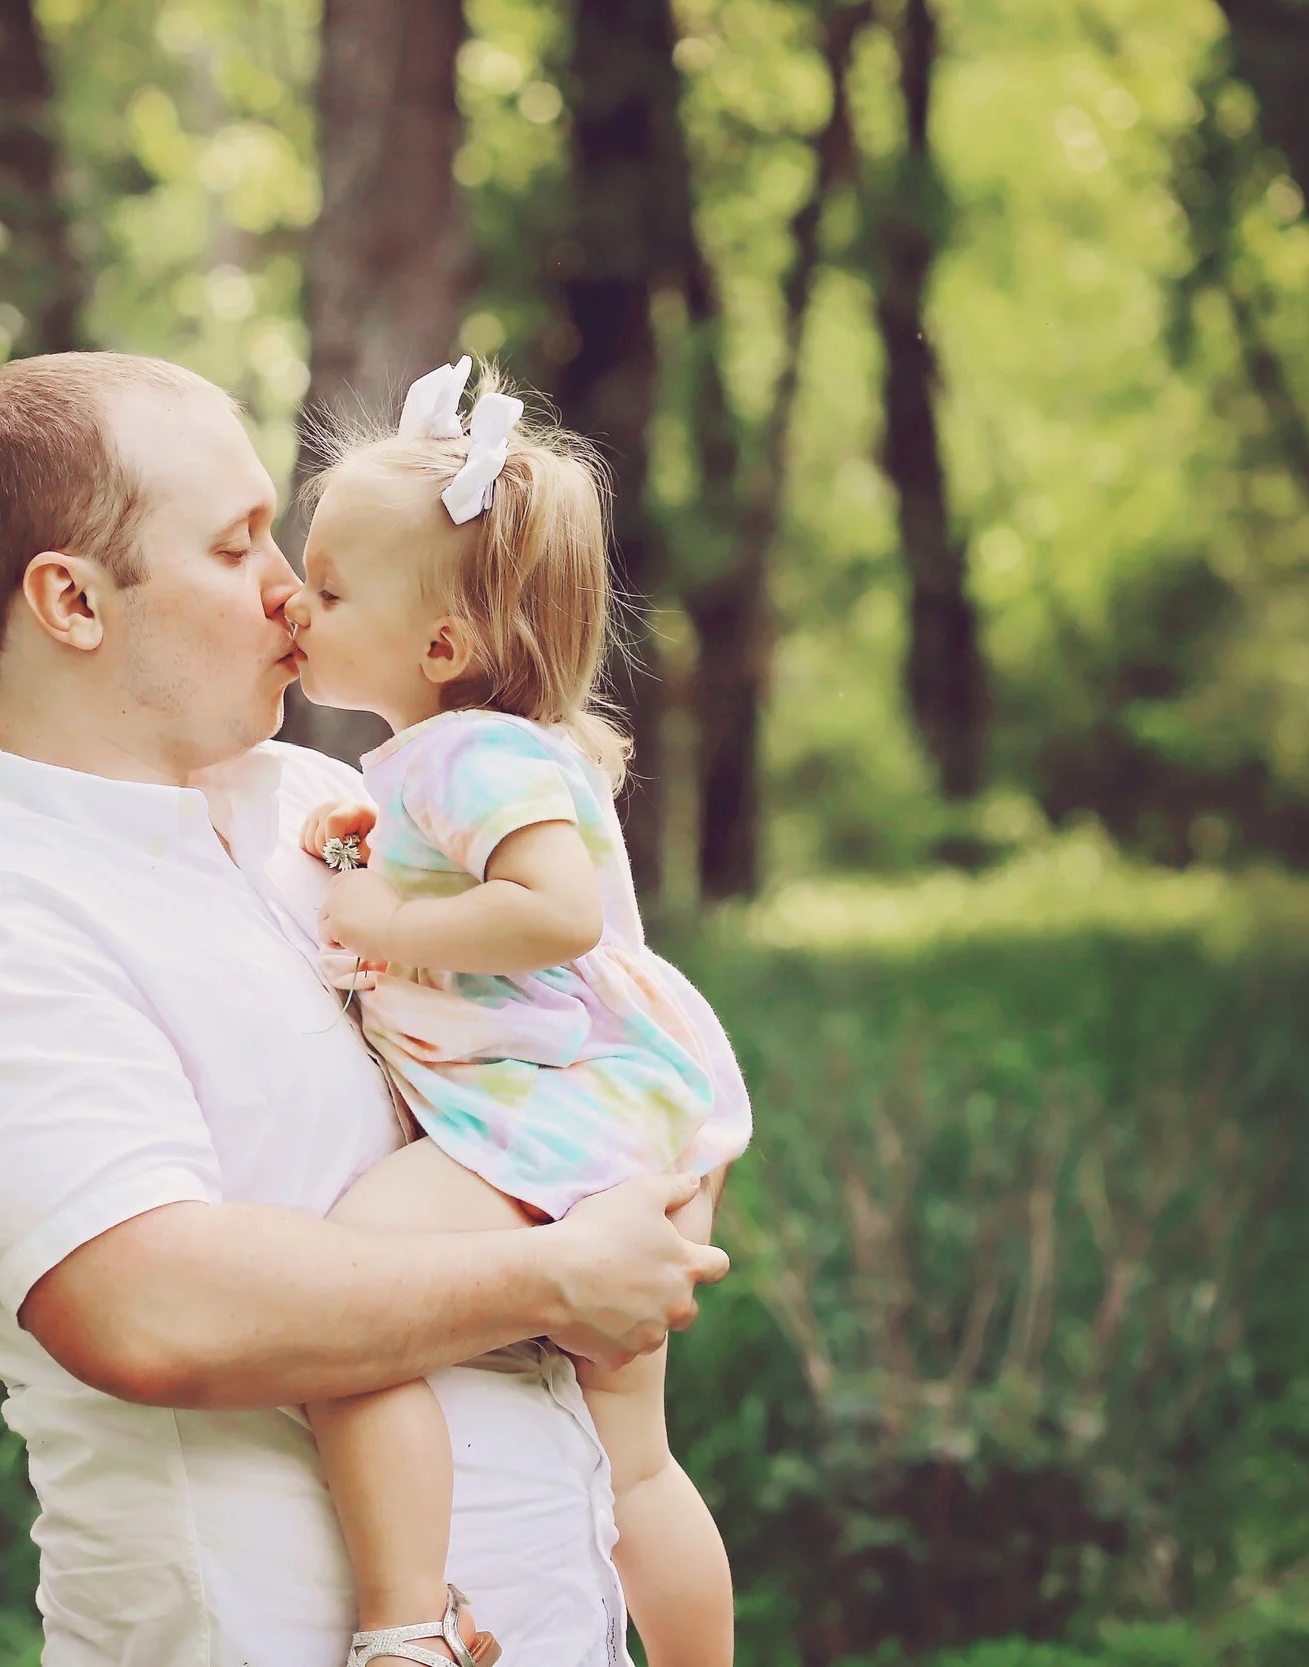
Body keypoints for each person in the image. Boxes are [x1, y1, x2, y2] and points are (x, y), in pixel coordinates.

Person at [0, 350, 731, 1667]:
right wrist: (560, 1274)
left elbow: (580, 1046)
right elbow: (154, 1309)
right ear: (71, 599)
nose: (287, 588)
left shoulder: (320, 803)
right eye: (238, 543)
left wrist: (650, 1208)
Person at [281, 357, 749, 1667]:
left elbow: (554, 914)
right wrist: (362, 857)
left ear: (441, 646)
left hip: (551, 1116)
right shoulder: (459, 757)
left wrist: (388, 924)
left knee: (344, 1302)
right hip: (595, 1113)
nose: (293, 603)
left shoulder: (474, 754)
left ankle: (403, 1620)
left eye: (326, 588)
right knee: (638, 1469)